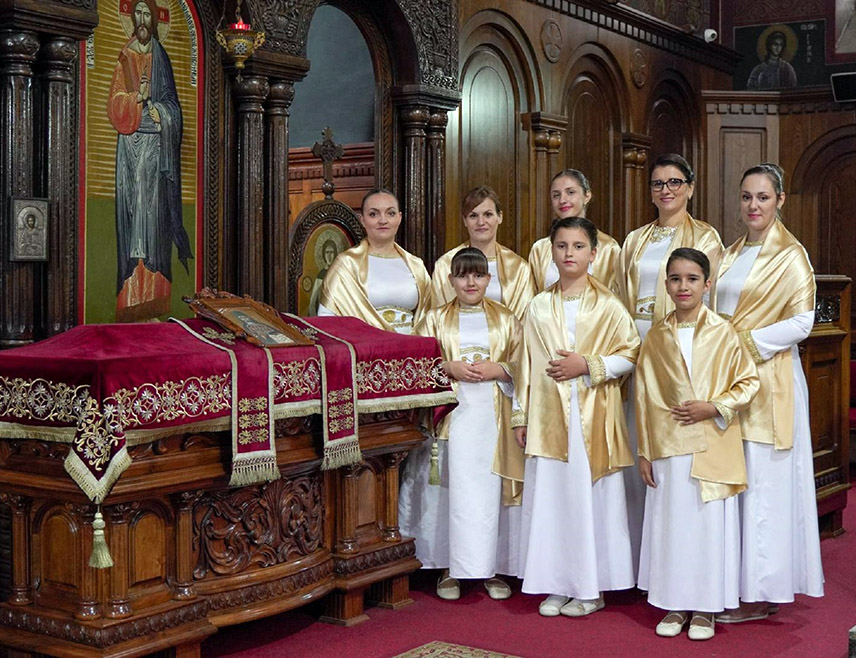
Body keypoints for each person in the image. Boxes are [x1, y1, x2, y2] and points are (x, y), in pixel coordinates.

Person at [711, 163, 824, 622]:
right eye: (746, 197)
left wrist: (742, 343)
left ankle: (761, 592)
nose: (753, 206)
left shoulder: (791, 255)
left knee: (764, 488)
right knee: (736, 481)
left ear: (780, 200)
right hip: (730, 380)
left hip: (770, 381)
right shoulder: (731, 251)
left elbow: (802, 322)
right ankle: (732, 582)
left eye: (762, 197)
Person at [514, 217, 640, 618]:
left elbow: (631, 354)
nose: (570, 253)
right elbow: (524, 363)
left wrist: (588, 364)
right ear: (551, 252)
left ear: (594, 253)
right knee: (553, 500)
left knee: (588, 500)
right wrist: (520, 415)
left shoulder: (609, 305)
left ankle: (590, 587)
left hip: (593, 415)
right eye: (562, 246)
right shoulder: (538, 305)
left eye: (578, 246)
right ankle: (556, 581)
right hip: (548, 415)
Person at [636, 248, 759, 641]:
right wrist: (644, 451)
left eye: (692, 279)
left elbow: (748, 382)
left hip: (712, 441)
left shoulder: (724, 331)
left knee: (706, 527)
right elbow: (644, 396)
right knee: (673, 525)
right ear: (666, 284)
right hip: (669, 445)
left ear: (707, 284)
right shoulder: (656, 337)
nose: (683, 286)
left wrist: (714, 406)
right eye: (675, 279)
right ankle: (675, 602)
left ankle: (705, 607)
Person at [616, 153, 723, 575]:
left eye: (675, 182)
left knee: (673, 455)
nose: (666, 190)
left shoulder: (706, 236)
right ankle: (634, 558)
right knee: (635, 444)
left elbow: (707, 296)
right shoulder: (635, 239)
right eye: (658, 183)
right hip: (635, 346)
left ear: (690, 188)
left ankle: (675, 562)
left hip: (680, 348)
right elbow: (620, 295)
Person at [401, 247, 523, 601]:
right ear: (450, 280)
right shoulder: (435, 319)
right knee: (449, 494)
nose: (471, 282)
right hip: (451, 420)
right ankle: (447, 568)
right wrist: (448, 367)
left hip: (493, 420)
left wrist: (500, 369)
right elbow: (415, 363)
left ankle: (491, 568)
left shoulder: (506, 319)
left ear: (489, 279)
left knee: (487, 496)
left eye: (478, 275)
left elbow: (525, 364)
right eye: (463, 275)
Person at [108, 0, 192, 322]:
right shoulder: (125, 57)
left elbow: (173, 106)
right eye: (138, 14)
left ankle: (156, 302)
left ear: (154, 20)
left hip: (157, 148)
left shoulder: (162, 58)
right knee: (133, 216)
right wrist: (137, 98)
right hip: (130, 149)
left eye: (147, 14)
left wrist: (161, 112)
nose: (142, 20)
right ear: (132, 18)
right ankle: (129, 301)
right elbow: (114, 104)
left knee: (154, 220)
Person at [318, 189, 431, 334]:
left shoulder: (416, 265)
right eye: (373, 214)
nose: (383, 220)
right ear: (362, 220)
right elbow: (327, 318)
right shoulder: (347, 264)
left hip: (412, 346)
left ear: (399, 218)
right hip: (364, 345)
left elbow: (430, 317)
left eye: (390, 213)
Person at [432, 186, 535, 320]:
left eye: (488, 214)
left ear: (500, 217)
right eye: (473, 216)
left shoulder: (519, 268)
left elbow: (522, 320)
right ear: (465, 220)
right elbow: (438, 318)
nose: (481, 222)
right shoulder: (445, 265)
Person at [528, 169, 620, 291]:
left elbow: (615, 295)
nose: (562, 200)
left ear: (587, 196)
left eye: (570, 192)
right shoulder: (540, 249)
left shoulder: (609, 248)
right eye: (556, 195)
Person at [308, 238, 339, 316]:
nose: (329, 256)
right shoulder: (321, 276)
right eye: (327, 252)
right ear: (323, 254)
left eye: (331, 252)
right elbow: (312, 303)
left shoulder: (338, 274)